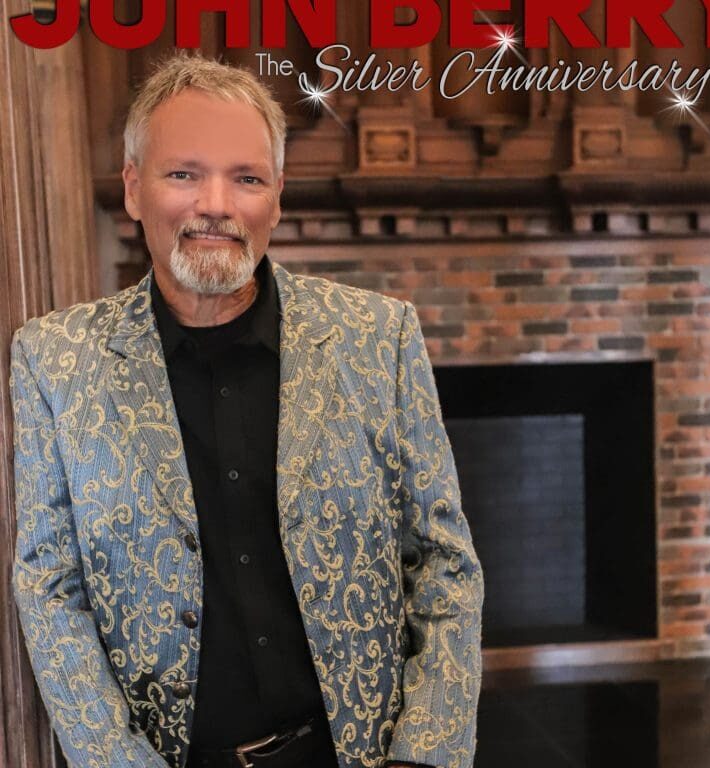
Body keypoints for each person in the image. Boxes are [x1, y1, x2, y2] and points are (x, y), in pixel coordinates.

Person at [10, 53, 483, 768]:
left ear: (278, 196)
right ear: (134, 188)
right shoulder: (54, 359)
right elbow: (50, 588)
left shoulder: (376, 338)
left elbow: (445, 563)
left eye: (247, 178)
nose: (217, 205)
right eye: (183, 174)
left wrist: (425, 755)